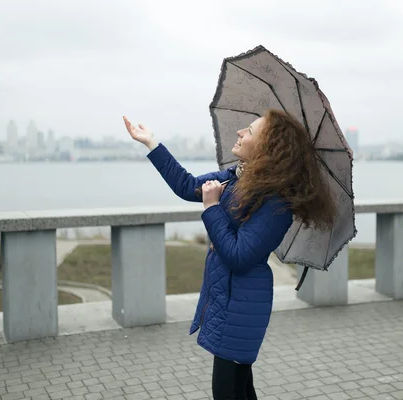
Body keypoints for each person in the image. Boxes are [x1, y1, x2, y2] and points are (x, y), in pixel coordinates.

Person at [123, 109, 337, 400]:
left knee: (227, 392)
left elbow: (238, 255)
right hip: (228, 299)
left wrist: (211, 209)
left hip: (242, 305)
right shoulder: (238, 178)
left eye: (249, 132)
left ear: (267, 148)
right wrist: (151, 143)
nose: (239, 133)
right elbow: (187, 185)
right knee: (240, 390)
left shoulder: (276, 203)